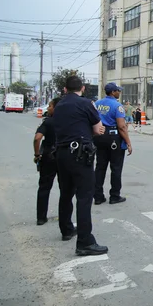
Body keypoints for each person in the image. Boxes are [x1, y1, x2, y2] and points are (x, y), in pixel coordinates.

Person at [53, 75, 108, 256]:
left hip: (61, 154)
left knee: (66, 193)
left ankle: (66, 229)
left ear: (65, 89)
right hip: (80, 154)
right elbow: (98, 128)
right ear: (83, 88)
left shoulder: (59, 105)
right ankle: (85, 241)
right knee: (84, 197)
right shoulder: (86, 104)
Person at [93, 83, 133, 205]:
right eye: (118, 91)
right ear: (113, 92)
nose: (119, 93)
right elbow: (121, 126)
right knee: (116, 168)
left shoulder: (97, 104)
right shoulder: (117, 106)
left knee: (100, 167)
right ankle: (114, 195)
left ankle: (98, 196)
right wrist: (128, 142)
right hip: (113, 138)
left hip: (99, 136)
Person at [33, 97, 61, 225]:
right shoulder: (67, 122)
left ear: (56, 108)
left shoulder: (48, 122)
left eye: (50, 106)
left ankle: (41, 217)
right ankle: (65, 216)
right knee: (66, 189)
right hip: (63, 155)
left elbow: (37, 138)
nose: (48, 108)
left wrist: (37, 154)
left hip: (48, 155)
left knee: (44, 187)